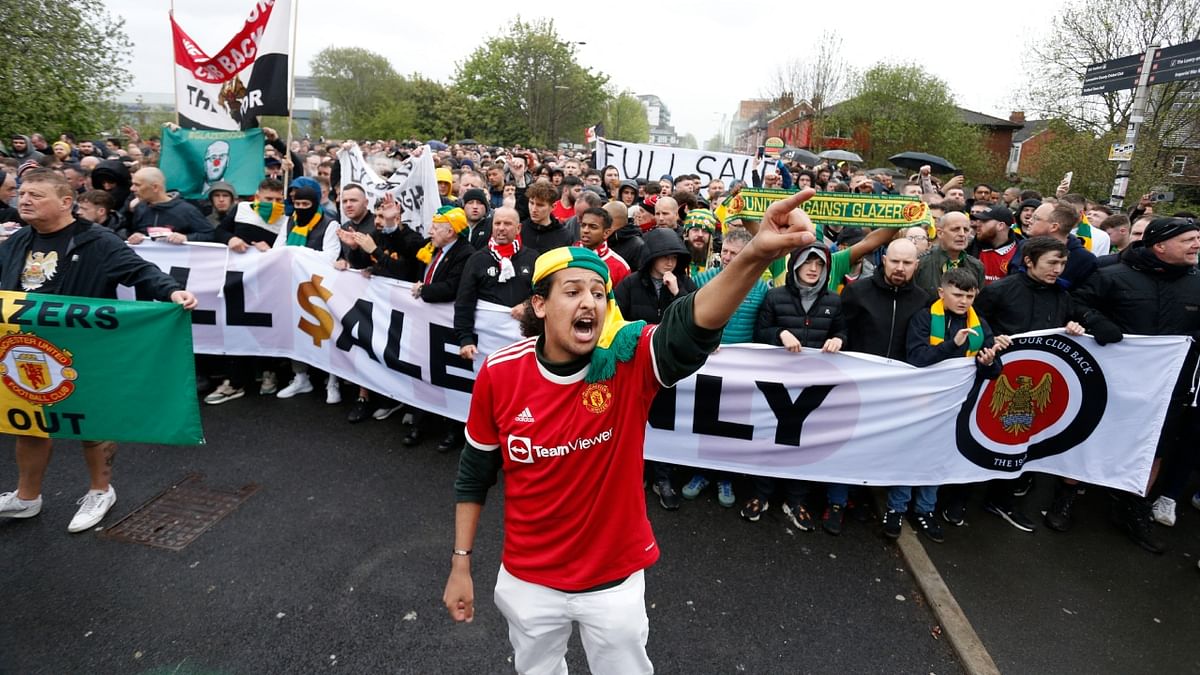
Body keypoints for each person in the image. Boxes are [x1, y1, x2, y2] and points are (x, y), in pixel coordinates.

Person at [442, 189, 821, 674]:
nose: (590, 303)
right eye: (573, 291)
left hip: (613, 585)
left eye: (599, 293)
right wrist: (460, 563)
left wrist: (754, 254)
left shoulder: (626, 359)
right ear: (539, 304)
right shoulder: (500, 372)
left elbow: (690, 326)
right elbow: (474, 475)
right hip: (528, 581)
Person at [0, 169, 197, 532]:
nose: (24, 200)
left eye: (36, 195)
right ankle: (26, 497)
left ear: (65, 202)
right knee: (28, 424)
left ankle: (100, 491)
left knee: (92, 423)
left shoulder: (97, 241)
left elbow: (140, 271)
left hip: (82, 349)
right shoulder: (16, 242)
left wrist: (171, 291)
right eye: (22, 193)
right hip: (23, 348)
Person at [1072, 217, 1200, 554]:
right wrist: (1096, 321)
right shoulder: (1112, 274)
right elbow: (1077, 304)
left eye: (1197, 239)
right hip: (1111, 381)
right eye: (1188, 240)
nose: (1196, 245)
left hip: (1167, 387)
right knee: (1091, 433)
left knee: (1154, 447)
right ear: (1160, 245)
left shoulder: (1197, 282)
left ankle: (1133, 508)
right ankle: (1067, 496)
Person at [886, 268, 1007, 542]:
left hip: (955, 406)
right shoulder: (924, 318)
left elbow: (993, 370)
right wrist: (953, 344)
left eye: (970, 295)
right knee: (911, 455)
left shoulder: (980, 325)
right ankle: (896, 507)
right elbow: (917, 358)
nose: (964, 301)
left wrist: (988, 361)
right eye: (958, 294)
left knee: (936, 459)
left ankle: (925, 510)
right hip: (921, 403)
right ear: (942, 292)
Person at [743, 241, 846, 529]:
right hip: (778, 381)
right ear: (795, 265)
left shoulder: (834, 301)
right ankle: (761, 494)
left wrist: (840, 339)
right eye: (807, 263)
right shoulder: (775, 297)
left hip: (813, 384)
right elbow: (760, 332)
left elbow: (842, 330)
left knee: (804, 442)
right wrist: (780, 334)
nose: (813, 269)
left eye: (820, 265)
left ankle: (796, 500)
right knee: (769, 437)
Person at [614, 228, 697, 510]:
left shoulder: (686, 283)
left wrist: (679, 293)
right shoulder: (629, 285)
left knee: (662, 426)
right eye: (664, 257)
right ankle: (632, 474)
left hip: (668, 371)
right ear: (651, 258)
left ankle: (662, 478)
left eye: (674, 257)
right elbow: (615, 321)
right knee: (630, 424)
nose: (670, 263)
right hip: (634, 368)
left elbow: (697, 323)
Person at [408, 203, 475, 451]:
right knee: (423, 372)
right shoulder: (432, 249)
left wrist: (425, 291)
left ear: (451, 232)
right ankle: (420, 422)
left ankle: (452, 429)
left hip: (447, 326)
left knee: (448, 376)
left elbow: (452, 287)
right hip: (426, 323)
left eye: (436, 228)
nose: (430, 231)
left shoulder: (465, 253)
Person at [455, 206, 538, 362]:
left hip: (523, 342)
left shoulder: (533, 258)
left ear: (518, 228)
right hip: (486, 343)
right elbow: (464, 302)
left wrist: (529, 306)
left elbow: (544, 294)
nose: (501, 228)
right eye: (497, 223)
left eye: (507, 224)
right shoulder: (477, 259)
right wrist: (465, 339)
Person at [126, 168, 215, 245]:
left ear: (155, 187)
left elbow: (210, 235)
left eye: (137, 185)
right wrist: (136, 235)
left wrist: (186, 238)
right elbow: (130, 232)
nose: (132, 189)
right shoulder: (140, 208)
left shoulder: (186, 210)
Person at [913, 211, 984, 298]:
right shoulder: (921, 264)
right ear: (940, 233)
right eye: (955, 229)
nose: (962, 234)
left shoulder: (976, 266)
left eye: (966, 230)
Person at [966, 205, 1021, 285]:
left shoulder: (1020, 254)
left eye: (984, 221)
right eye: (978, 220)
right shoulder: (970, 248)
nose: (978, 224)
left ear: (1000, 226)